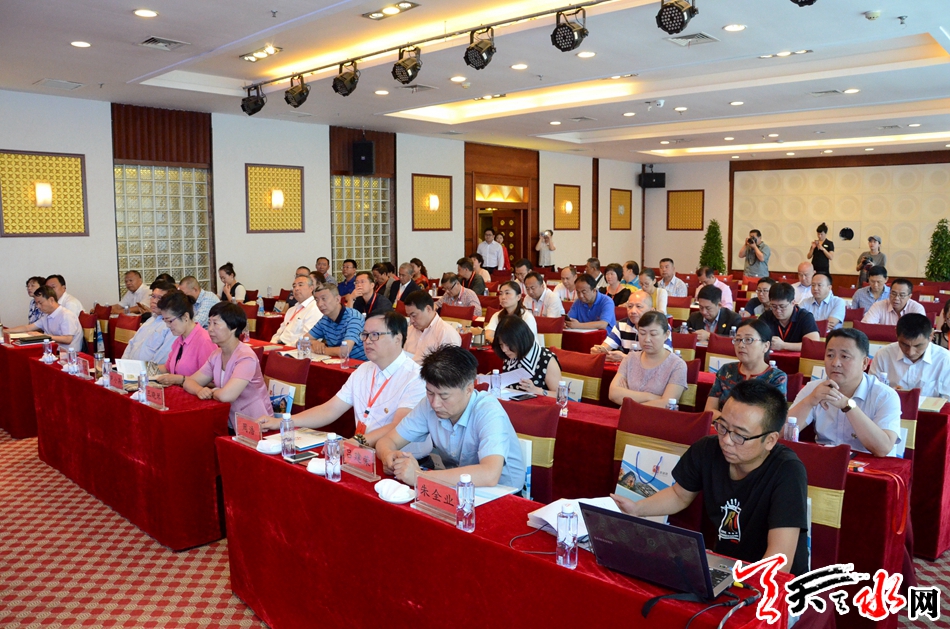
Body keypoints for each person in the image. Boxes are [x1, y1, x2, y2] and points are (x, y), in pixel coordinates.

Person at [612, 379, 809, 576]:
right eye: (723, 426)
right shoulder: (707, 449)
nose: (726, 440)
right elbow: (679, 495)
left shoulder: (787, 471)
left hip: (774, 582)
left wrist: (744, 582)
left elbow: (779, 560)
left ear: (770, 440)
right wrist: (637, 509)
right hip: (726, 566)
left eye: (740, 435)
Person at [259, 312, 432, 458]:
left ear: (397, 338)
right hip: (362, 453)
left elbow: (400, 425)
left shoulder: (416, 377)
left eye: (375, 335)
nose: (367, 341)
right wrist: (282, 422)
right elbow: (330, 410)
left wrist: (358, 441)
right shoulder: (363, 370)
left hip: (402, 460)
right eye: (365, 335)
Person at [376, 345, 526, 489]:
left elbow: (490, 475)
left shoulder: (488, 411)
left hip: (503, 492)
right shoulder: (427, 405)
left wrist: (419, 476)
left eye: (444, 396)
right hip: (457, 486)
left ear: (468, 389)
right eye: (430, 393)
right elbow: (387, 441)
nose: (435, 404)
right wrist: (388, 455)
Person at [789, 328, 900, 457]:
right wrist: (809, 401)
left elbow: (883, 449)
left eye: (845, 357)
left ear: (864, 363)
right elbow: (779, 434)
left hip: (869, 465)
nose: (835, 363)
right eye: (830, 355)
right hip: (826, 461)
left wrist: (847, 405)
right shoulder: (814, 389)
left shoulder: (885, 395)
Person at [184, 302, 273, 430]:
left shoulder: (246, 357)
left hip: (255, 424)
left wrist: (212, 392)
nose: (210, 329)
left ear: (233, 328)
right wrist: (199, 390)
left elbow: (227, 396)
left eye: (215, 324)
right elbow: (189, 382)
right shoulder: (216, 354)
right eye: (209, 323)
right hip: (230, 421)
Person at [705, 319, 788, 420]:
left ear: (766, 346)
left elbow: (773, 419)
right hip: (723, 427)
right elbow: (709, 411)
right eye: (738, 339)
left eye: (748, 340)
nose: (741, 345)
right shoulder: (726, 370)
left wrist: (732, 423)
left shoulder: (776, 377)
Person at [608, 311, 688, 408]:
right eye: (642, 333)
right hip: (626, 415)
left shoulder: (677, 365)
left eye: (653, 334)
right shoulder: (630, 358)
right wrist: (651, 397)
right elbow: (613, 394)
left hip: (652, 416)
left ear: (666, 335)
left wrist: (628, 397)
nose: (646, 339)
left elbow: (667, 404)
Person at [870, 314, 950, 399]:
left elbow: (948, 400)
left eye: (918, 346)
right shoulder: (883, 355)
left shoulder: (945, 359)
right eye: (904, 344)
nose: (911, 352)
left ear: (930, 336)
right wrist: (888, 393)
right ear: (896, 334)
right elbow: (871, 391)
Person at [154, 291, 216, 387]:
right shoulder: (179, 340)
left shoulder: (204, 341)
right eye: (165, 321)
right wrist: (141, 370)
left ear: (185, 316)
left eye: (170, 321)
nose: (168, 326)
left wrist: (180, 379)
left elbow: (213, 382)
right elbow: (167, 368)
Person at [492, 316, 562, 396]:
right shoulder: (510, 357)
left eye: (508, 345)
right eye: (501, 345)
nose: (504, 349)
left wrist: (536, 390)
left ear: (520, 340)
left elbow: (560, 395)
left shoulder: (546, 359)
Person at [6, 285, 83, 352]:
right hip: (52, 350)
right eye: (36, 303)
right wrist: (6, 331)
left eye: (40, 303)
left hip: (69, 354)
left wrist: (43, 337)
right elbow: (27, 327)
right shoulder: (46, 316)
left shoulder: (66, 315)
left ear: (51, 300)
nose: (38, 306)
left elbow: (68, 339)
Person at [122, 280, 178, 364]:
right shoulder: (151, 320)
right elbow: (131, 344)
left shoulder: (171, 325)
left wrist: (142, 370)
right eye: (153, 296)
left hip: (148, 371)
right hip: (131, 368)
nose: (154, 301)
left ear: (171, 302)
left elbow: (162, 358)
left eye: (159, 298)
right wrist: (123, 364)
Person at [306, 284, 366, 360]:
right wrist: (314, 342)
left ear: (337, 299)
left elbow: (345, 351)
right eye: (317, 300)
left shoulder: (353, 317)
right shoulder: (325, 319)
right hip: (337, 362)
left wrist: (322, 350)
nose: (319, 304)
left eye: (324, 299)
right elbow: (301, 341)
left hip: (359, 363)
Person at [592, 290, 653, 362]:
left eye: (638, 306)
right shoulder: (622, 325)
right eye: (630, 306)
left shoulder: (659, 328)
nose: (633, 311)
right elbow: (606, 346)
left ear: (651, 310)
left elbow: (658, 361)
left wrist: (625, 358)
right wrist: (598, 350)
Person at [757, 282, 820, 352]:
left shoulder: (805, 317)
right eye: (774, 306)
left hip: (798, 358)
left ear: (793, 303)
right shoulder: (766, 316)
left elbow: (813, 345)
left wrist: (784, 345)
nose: (778, 310)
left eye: (782, 306)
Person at [404, 290, 461, 364]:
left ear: (428, 309)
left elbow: (448, 367)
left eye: (414, 316)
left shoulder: (446, 333)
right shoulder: (409, 330)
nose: (411, 321)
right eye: (409, 316)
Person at [270, 275, 322, 346]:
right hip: (280, 346)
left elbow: (308, 338)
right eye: (294, 286)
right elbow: (280, 331)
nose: (296, 288)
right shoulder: (292, 309)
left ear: (311, 288)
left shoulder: (315, 308)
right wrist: (272, 343)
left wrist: (286, 347)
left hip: (295, 348)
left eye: (300, 285)